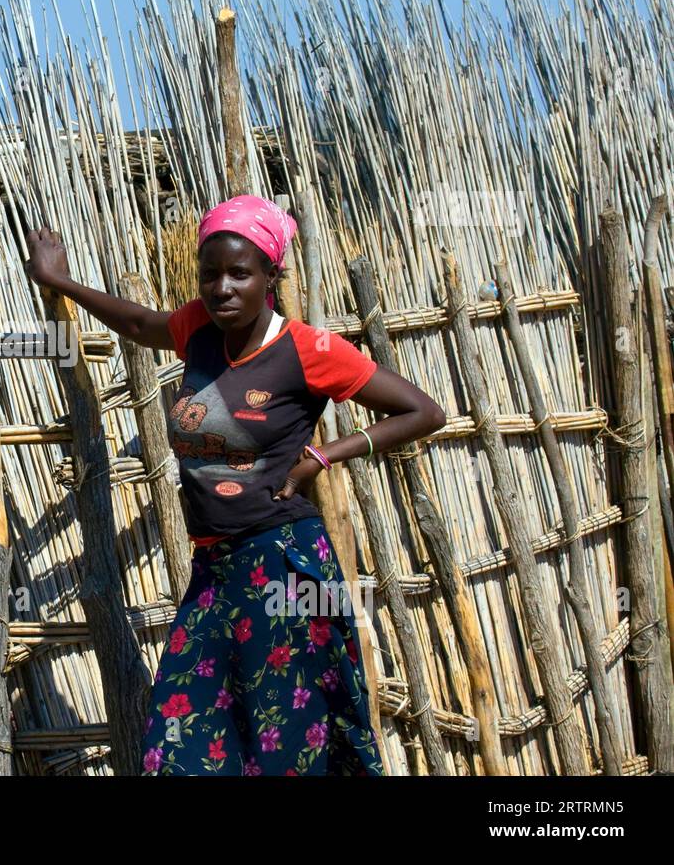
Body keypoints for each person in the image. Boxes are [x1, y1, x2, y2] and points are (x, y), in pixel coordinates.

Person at [24, 195, 447, 776]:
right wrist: (60, 281)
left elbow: (424, 412)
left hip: (283, 566)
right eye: (210, 274)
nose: (222, 288)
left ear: (271, 276)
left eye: (239, 274)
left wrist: (323, 457)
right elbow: (140, 324)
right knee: (179, 740)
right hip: (215, 570)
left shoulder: (310, 351)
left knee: (288, 744)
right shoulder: (199, 328)